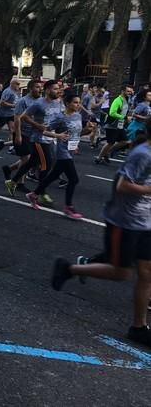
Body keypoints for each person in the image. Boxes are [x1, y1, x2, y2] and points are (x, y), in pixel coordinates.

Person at [52, 118, 151, 347]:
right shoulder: (143, 154)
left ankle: (138, 327)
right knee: (121, 273)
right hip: (125, 222)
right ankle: (68, 269)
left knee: (146, 273)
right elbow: (122, 185)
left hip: (146, 222)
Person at [26, 92, 91, 219]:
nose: (78, 105)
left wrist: (88, 130)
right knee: (73, 179)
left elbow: (77, 134)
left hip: (71, 150)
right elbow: (45, 131)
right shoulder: (60, 117)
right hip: (62, 151)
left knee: (52, 176)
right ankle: (68, 207)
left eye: (79, 103)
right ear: (67, 103)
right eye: (75, 102)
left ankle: (34, 194)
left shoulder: (78, 116)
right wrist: (58, 136)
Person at [8, 80, 62, 202]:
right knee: (46, 165)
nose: (58, 91)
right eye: (55, 88)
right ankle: (41, 192)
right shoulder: (38, 103)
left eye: (58, 89)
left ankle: (12, 182)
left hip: (50, 137)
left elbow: (58, 118)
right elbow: (23, 117)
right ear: (47, 90)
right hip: (38, 139)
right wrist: (37, 125)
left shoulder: (58, 103)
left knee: (32, 162)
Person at [4, 80, 42, 194]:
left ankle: (9, 169)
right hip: (23, 133)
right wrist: (18, 135)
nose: (40, 89)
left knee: (31, 160)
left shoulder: (41, 101)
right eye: (37, 87)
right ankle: (20, 183)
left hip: (34, 134)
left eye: (41, 87)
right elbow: (17, 118)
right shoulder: (23, 101)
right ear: (30, 88)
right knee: (26, 159)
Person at [96, 85, 134, 164]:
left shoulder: (127, 99)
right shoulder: (117, 100)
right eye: (128, 91)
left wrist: (125, 119)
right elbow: (112, 113)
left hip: (120, 125)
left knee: (125, 141)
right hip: (112, 124)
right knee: (110, 142)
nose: (129, 93)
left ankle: (107, 152)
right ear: (122, 91)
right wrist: (124, 117)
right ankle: (99, 158)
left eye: (130, 91)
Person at [0, 77, 21, 153]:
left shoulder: (16, 91)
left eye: (19, 84)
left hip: (11, 114)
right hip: (3, 114)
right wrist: (13, 105)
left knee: (12, 130)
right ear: (12, 84)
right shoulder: (7, 91)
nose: (18, 85)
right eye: (17, 84)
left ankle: (11, 147)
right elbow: (2, 103)